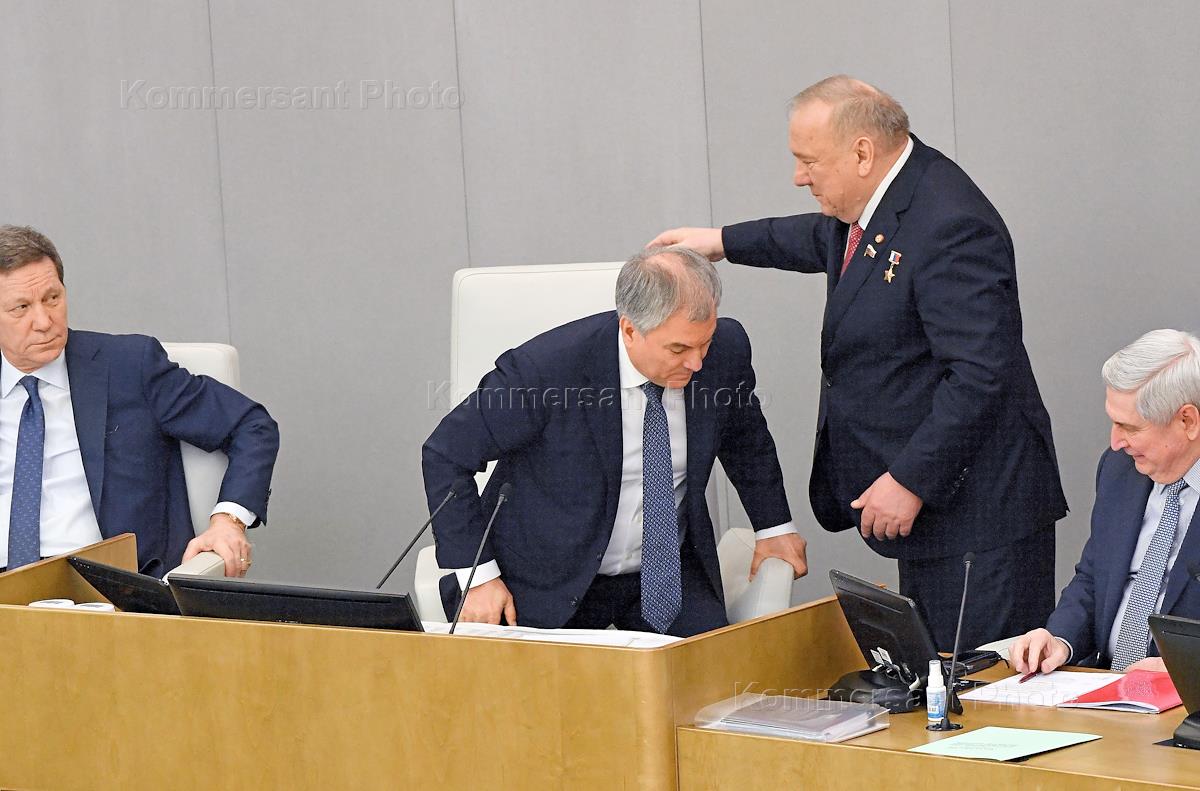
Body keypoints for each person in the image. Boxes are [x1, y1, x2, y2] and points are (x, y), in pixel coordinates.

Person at [649, 75, 1067, 649]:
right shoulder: (889, 197)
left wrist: (910, 478)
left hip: (980, 518)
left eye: (808, 162)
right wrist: (722, 241)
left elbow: (980, 374)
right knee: (935, 679)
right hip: (941, 519)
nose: (799, 177)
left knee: (982, 686)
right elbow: (820, 238)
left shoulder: (952, 224)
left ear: (862, 153)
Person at [421, 246, 808, 636]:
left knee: (712, 666)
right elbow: (446, 455)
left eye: (704, 344)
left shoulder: (725, 350)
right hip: (547, 575)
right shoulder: (545, 371)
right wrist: (479, 576)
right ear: (630, 330)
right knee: (543, 676)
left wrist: (773, 528)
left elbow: (746, 440)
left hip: (666, 573)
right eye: (678, 349)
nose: (696, 363)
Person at [0, 225, 279, 577]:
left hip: (104, 585)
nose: (44, 321)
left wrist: (229, 520)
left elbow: (252, 426)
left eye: (52, 298)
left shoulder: (130, 366)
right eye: (21, 307)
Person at [1012, 330, 1200, 674]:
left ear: (1187, 421)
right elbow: (1095, 576)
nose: (1115, 442)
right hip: (1105, 684)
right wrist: (1059, 638)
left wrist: (1186, 670)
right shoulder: (1120, 470)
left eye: (1130, 427)